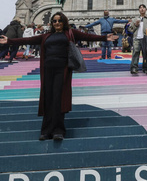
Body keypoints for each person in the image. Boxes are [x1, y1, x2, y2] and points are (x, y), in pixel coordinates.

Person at [0, 12, 117, 141]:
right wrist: (9, 40)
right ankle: (45, 131)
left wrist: (104, 38)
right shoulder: (46, 36)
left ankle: (58, 130)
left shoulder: (71, 33)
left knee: (58, 98)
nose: (57, 23)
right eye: (54, 21)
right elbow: (28, 40)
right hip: (48, 70)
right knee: (48, 98)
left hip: (62, 70)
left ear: (64, 22)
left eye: (59, 21)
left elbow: (88, 36)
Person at [128, 4, 147, 75]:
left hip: (146, 38)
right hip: (137, 38)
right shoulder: (135, 19)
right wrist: (135, 25)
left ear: (145, 9)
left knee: (146, 54)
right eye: (140, 8)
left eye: (143, 8)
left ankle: (146, 68)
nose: (142, 9)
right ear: (139, 10)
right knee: (135, 53)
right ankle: (134, 68)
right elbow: (130, 29)